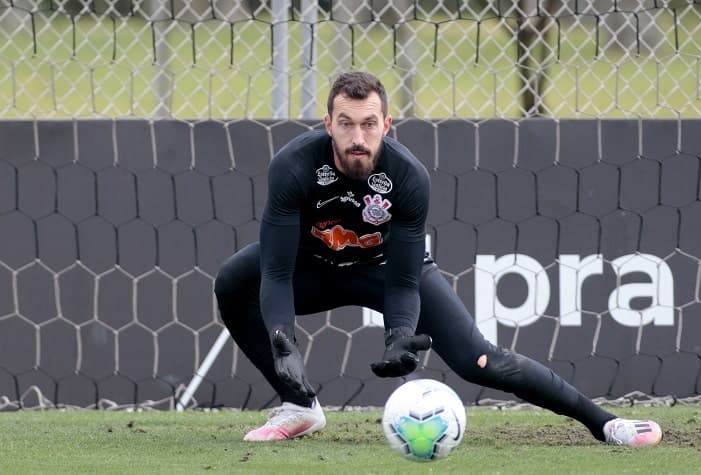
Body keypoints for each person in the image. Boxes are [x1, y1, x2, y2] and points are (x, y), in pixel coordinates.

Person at [214, 71, 662, 446]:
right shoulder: (293, 166)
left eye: (369, 124)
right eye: (346, 124)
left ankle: (605, 424)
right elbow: (274, 270)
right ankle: (299, 408)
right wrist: (282, 340)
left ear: (387, 124)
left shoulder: (408, 177)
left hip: (383, 271)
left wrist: (399, 335)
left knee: (479, 361)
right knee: (233, 282)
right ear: (327, 123)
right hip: (308, 268)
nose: (358, 138)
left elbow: (405, 283)